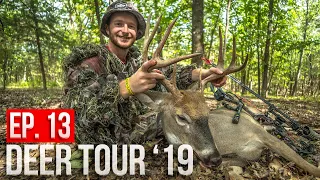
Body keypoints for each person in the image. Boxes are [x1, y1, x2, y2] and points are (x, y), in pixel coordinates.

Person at [63, 0, 227, 145]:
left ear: (137, 33)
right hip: (101, 140)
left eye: (131, 26)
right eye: (119, 24)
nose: (125, 30)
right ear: (107, 28)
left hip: (137, 128)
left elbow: (169, 73)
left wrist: (203, 74)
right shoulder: (89, 63)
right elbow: (77, 116)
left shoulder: (138, 61)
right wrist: (126, 87)